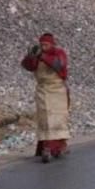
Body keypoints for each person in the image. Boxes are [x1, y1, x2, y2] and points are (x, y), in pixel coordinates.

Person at [21, 33, 70, 163]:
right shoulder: (38, 54)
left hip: (57, 89)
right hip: (43, 89)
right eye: (42, 45)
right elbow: (28, 66)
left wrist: (43, 57)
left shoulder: (59, 53)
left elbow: (59, 65)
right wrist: (30, 57)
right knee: (45, 118)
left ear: (52, 44)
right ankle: (47, 147)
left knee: (59, 118)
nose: (43, 47)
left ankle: (60, 145)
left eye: (46, 45)